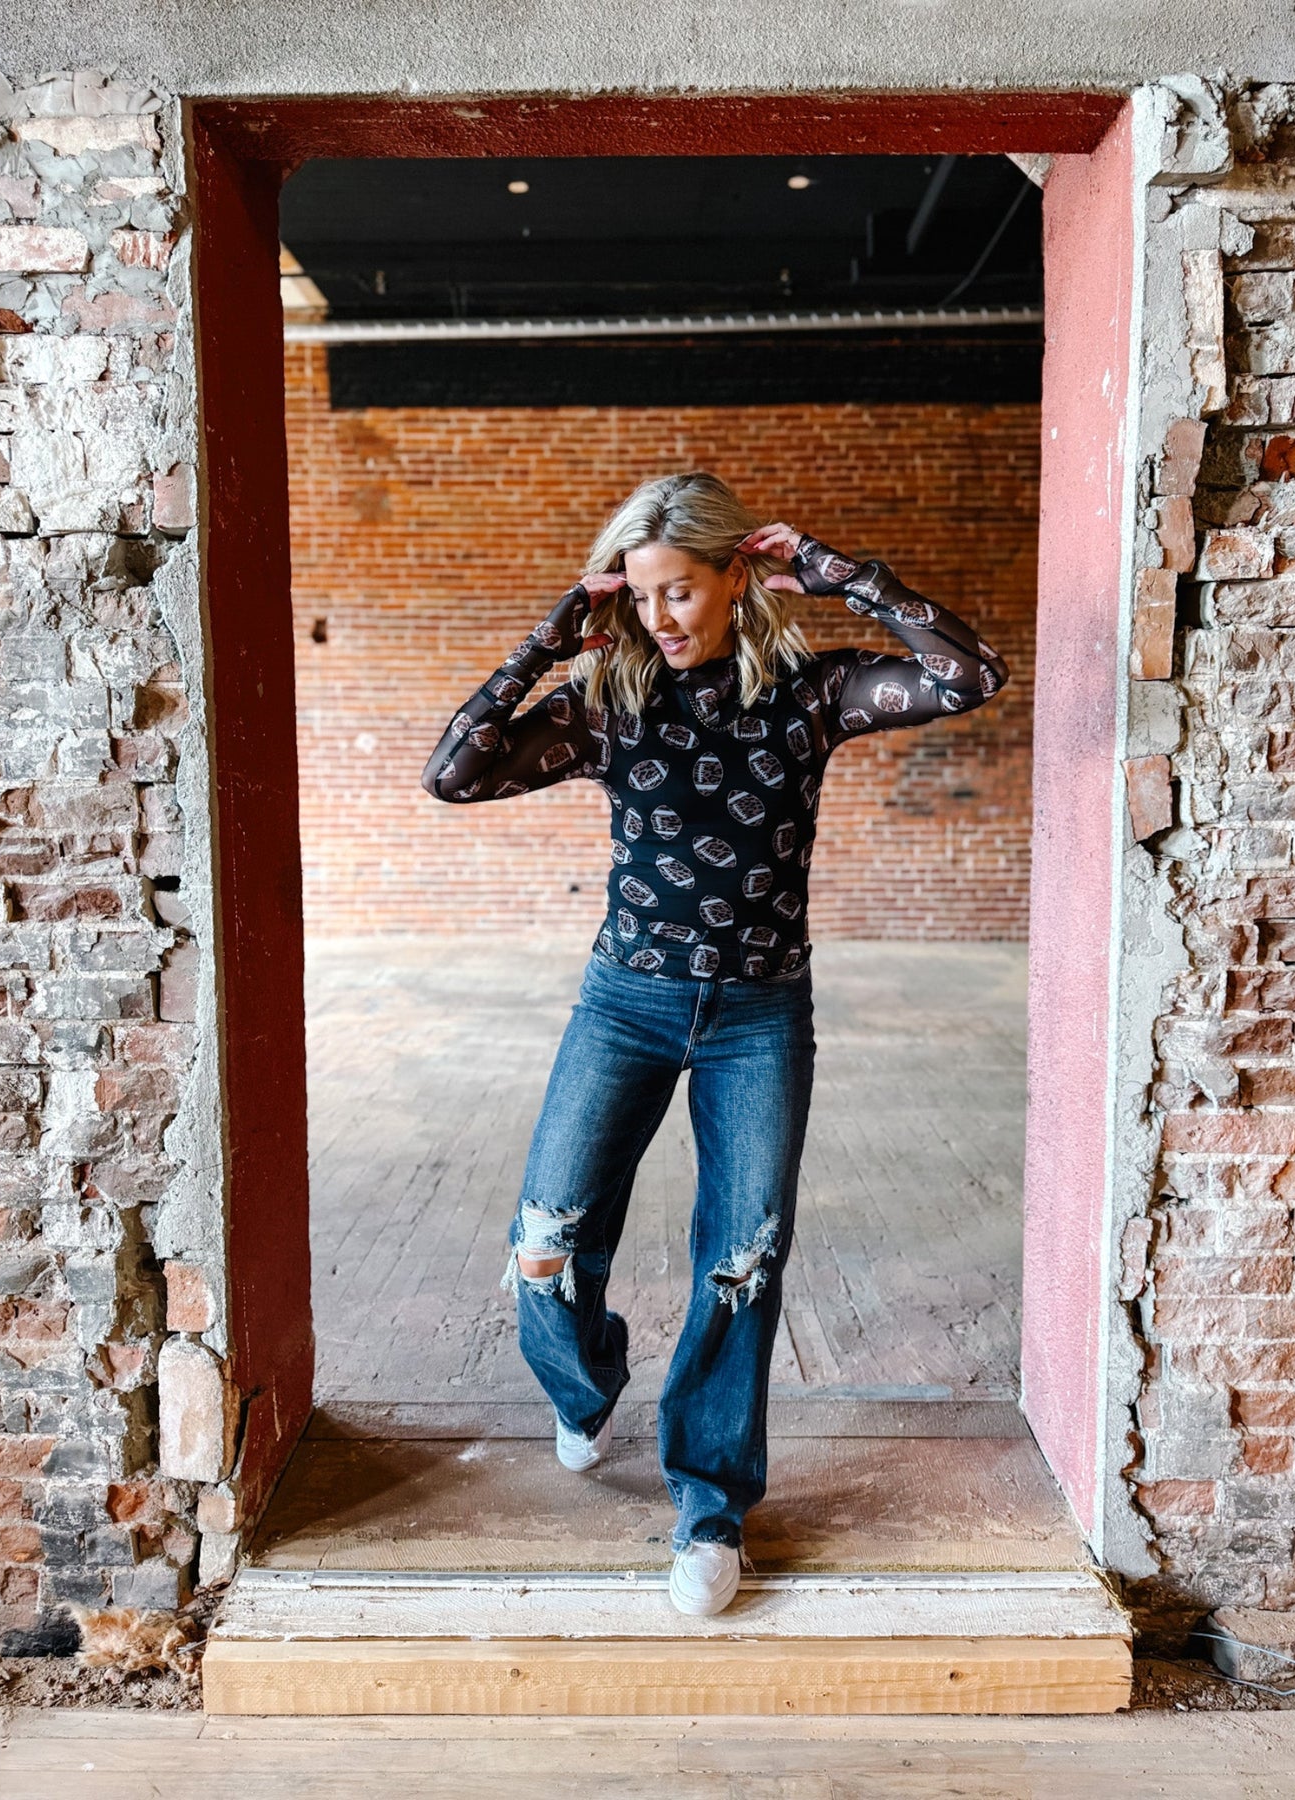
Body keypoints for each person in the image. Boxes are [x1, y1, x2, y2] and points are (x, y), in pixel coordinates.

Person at [422, 471, 1008, 1616]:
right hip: (624, 1004)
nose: (661, 618)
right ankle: (586, 1382)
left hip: (758, 1018)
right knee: (545, 1242)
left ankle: (709, 1510)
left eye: (680, 591)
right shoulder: (608, 702)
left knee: (743, 1263)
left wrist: (843, 574)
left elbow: (968, 675)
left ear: (737, 575)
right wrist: (550, 639)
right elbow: (455, 774)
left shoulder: (812, 693)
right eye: (641, 598)